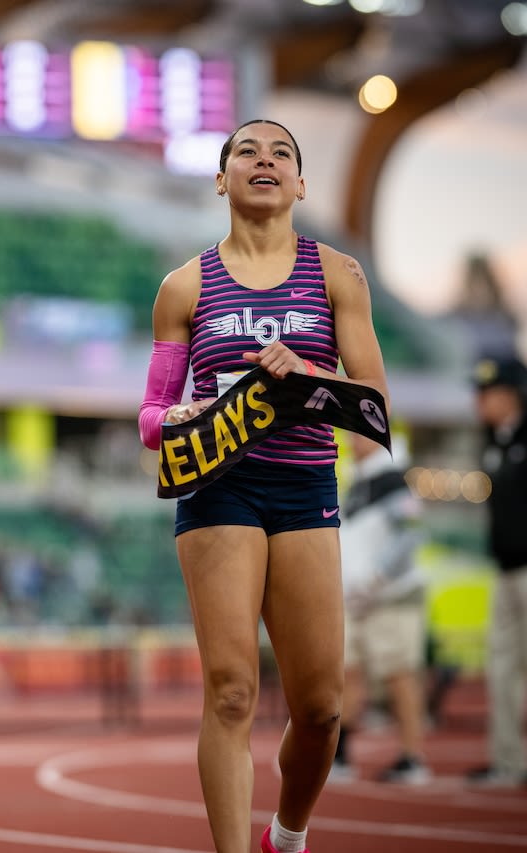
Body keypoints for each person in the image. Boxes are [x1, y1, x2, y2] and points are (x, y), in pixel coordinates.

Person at [138, 119, 389, 853]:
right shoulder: (183, 286)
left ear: (301, 184)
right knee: (232, 691)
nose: (264, 160)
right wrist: (178, 413)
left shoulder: (338, 274)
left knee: (319, 707)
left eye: (282, 152)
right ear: (222, 179)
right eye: (246, 150)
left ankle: (288, 832)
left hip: (306, 485)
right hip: (218, 488)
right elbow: (151, 417)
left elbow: (373, 405)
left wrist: (311, 376)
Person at [330, 432, 429, 785]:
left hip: (391, 597)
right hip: (359, 600)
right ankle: (339, 754)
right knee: (348, 675)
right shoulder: (363, 479)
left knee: (399, 675)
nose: (352, 440)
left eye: (359, 433)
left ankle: (411, 757)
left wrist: (377, 577)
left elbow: (411, 533)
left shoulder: (390, 478)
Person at [465, 355, 527, 787]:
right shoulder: (491, 440)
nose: (480, 401)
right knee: (502, 665)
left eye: (488, 392)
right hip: (504, 568)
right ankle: (507, 761)